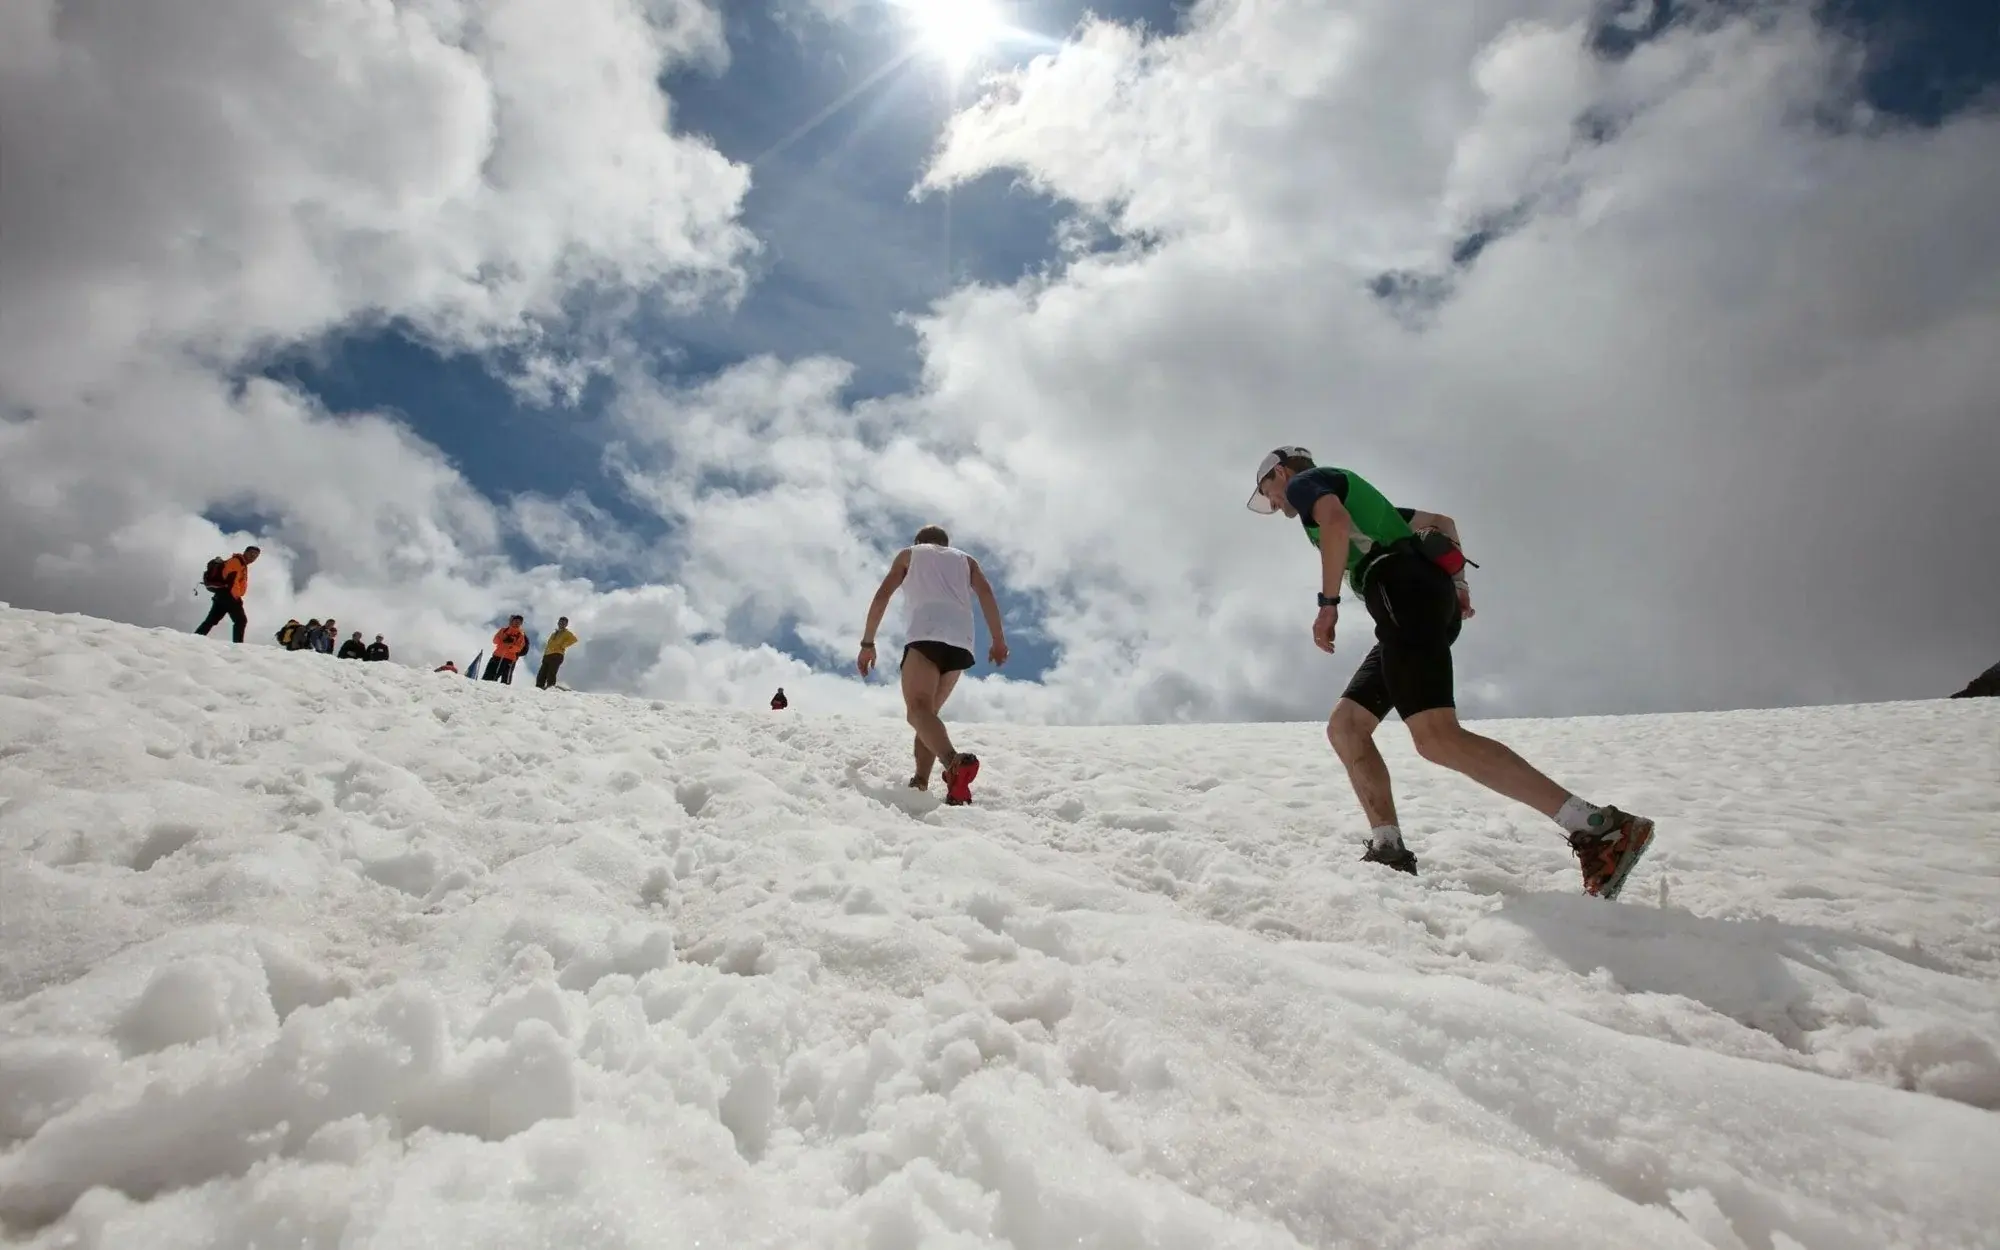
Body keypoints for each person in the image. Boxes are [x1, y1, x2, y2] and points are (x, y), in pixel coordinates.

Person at [1247, 446, 1656, 899]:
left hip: (1400, 590)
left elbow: (1336, 525)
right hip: (1414, 600)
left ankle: (1599, 827)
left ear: (1280, 473)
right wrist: (1458, 586)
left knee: (1436, 737)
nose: (1276, 503)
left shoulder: (1309, 484)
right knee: (1347, 726)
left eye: (1269, 491)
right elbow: (1441, 523)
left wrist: (1327, 606)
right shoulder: (1364, 502)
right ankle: (1389, 849)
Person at [857, 525, 1009, 805]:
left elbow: (882, 596)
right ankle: (920, 781)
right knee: (928, 716)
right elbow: (986, 594)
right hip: (961, 644)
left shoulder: (910, 554)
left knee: (917, 710)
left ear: (919, 541)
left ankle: (953, 763)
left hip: (926, 635)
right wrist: (998, 640)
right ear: (946, 543)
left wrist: (868, 643)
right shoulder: (966, 560)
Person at [194, 546, 260, 643]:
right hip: (229, 595)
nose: (253, 556)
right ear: (245, 552)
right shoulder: (237, 562)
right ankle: (238, 646)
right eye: (251, 553)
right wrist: (235, 598)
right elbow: (231, 580)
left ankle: (195, 638)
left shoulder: (241, 564)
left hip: (223, 594)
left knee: (211, 620)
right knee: (241, 621)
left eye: (256, 555)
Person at [484, 615, 527, 684]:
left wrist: (510, 646)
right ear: (512, 621)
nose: (517, 623)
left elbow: (519, 648)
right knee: (488, 676)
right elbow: (495, 640)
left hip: (508, 659)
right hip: (497, 656)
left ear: (521, 624)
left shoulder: (521, 635)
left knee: (505, 681)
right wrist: (503, 640)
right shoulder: (503, 630)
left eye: (519, 622)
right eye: (515, 621)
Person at [536, 617, 576, 689]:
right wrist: (545, 652)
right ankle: (539, 687)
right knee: (542, 672)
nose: (561, 624)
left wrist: (563, 645)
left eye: (564, 623)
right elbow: (549, 643)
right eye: (560, 622)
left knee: (551, 672)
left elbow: (574, 639)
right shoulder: (554, 633)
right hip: (547, 654)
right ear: (558, 623)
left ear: (566, 624)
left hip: (557, 654)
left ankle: (550, 687)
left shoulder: (567, 633)